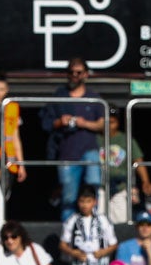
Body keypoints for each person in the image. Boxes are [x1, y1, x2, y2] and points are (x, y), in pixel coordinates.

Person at [39, 56, 105, 220]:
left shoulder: (94, 97)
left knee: (94, 184)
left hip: (90, 150)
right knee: (69, 196)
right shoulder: (58, 96)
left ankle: (96, 223)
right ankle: (68, 230)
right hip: (67, 153)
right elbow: (45, 123)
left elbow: (102, 125)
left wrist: (84, 123)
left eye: (78, 72)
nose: (75, 75)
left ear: (86, 75)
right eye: (71, 72)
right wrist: (60, 122)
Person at [58, 185, 118, 265]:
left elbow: (113, 244)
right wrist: (73, 253)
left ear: (95, 202)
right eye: (82, 201)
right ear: (78, 202)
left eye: (88, 201)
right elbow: (62, 245)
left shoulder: (103, 220)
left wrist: (103, 252)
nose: (85, 205)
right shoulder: (71, 221)